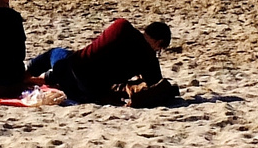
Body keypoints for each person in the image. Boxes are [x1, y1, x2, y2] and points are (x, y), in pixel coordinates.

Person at [36, 18, 170, 104]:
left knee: (55, 54)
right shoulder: (149, 60)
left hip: (76, 72)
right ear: (158, 42)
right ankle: (32, 78)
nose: (158, 52)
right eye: (160, 49)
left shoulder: (122, 27)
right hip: (91, 94)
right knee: (67, 67)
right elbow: (156, 82)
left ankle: (24, 76)